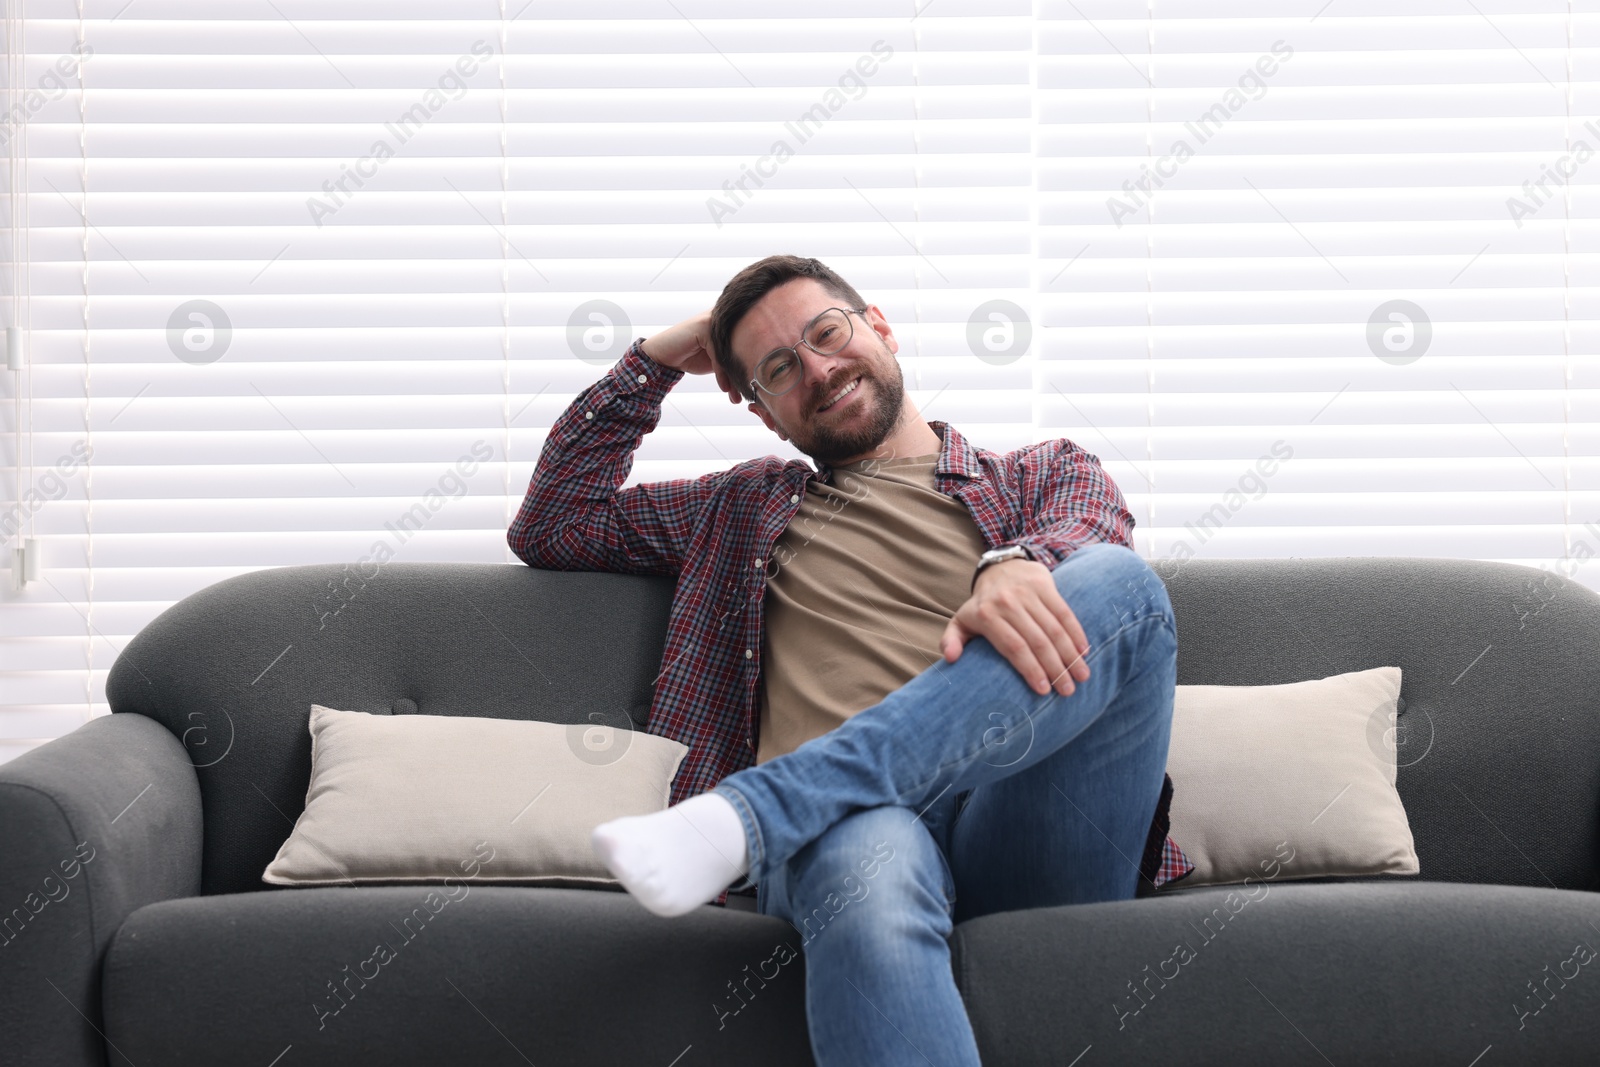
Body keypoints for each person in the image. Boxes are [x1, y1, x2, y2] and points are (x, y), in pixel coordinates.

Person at [508, 254, 1192, 1066]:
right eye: (780, 369)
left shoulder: (1039, 473)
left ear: (880, 326)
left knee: (1123, 584)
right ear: (766, 415)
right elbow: (554, 523)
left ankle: (760, 810)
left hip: (1025, 814)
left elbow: (1093, 541)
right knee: (860, 857)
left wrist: (1014, 560)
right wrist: (656, 359)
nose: (821, 371)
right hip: (855, 833)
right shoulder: (740, 507)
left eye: (827, 333)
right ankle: (798, 807)